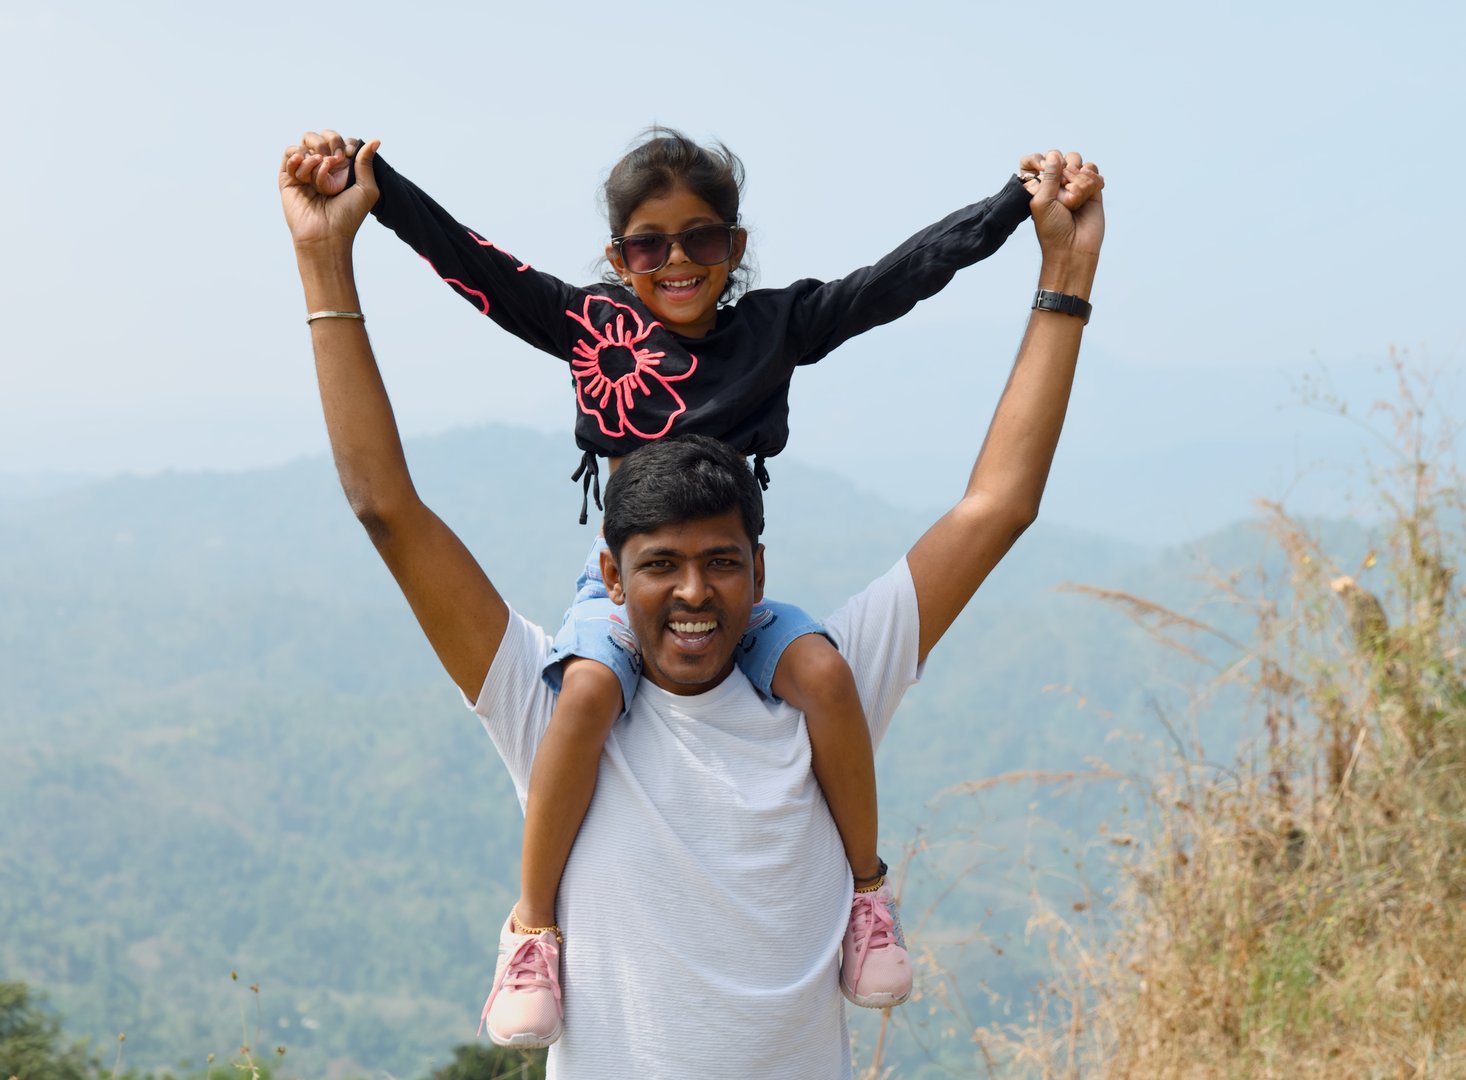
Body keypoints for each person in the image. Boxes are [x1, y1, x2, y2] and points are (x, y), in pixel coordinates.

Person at [278, 139, 1103, 1078]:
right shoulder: (558, 710)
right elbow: (388, 505)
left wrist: (1061, 270)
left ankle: (871, 899)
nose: (695, 593)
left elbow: (998, 503)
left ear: (759, 566)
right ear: (611, 574)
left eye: (720, 562)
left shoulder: (817, 692)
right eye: (660, 565)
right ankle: (529, 929)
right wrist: (327, 253)